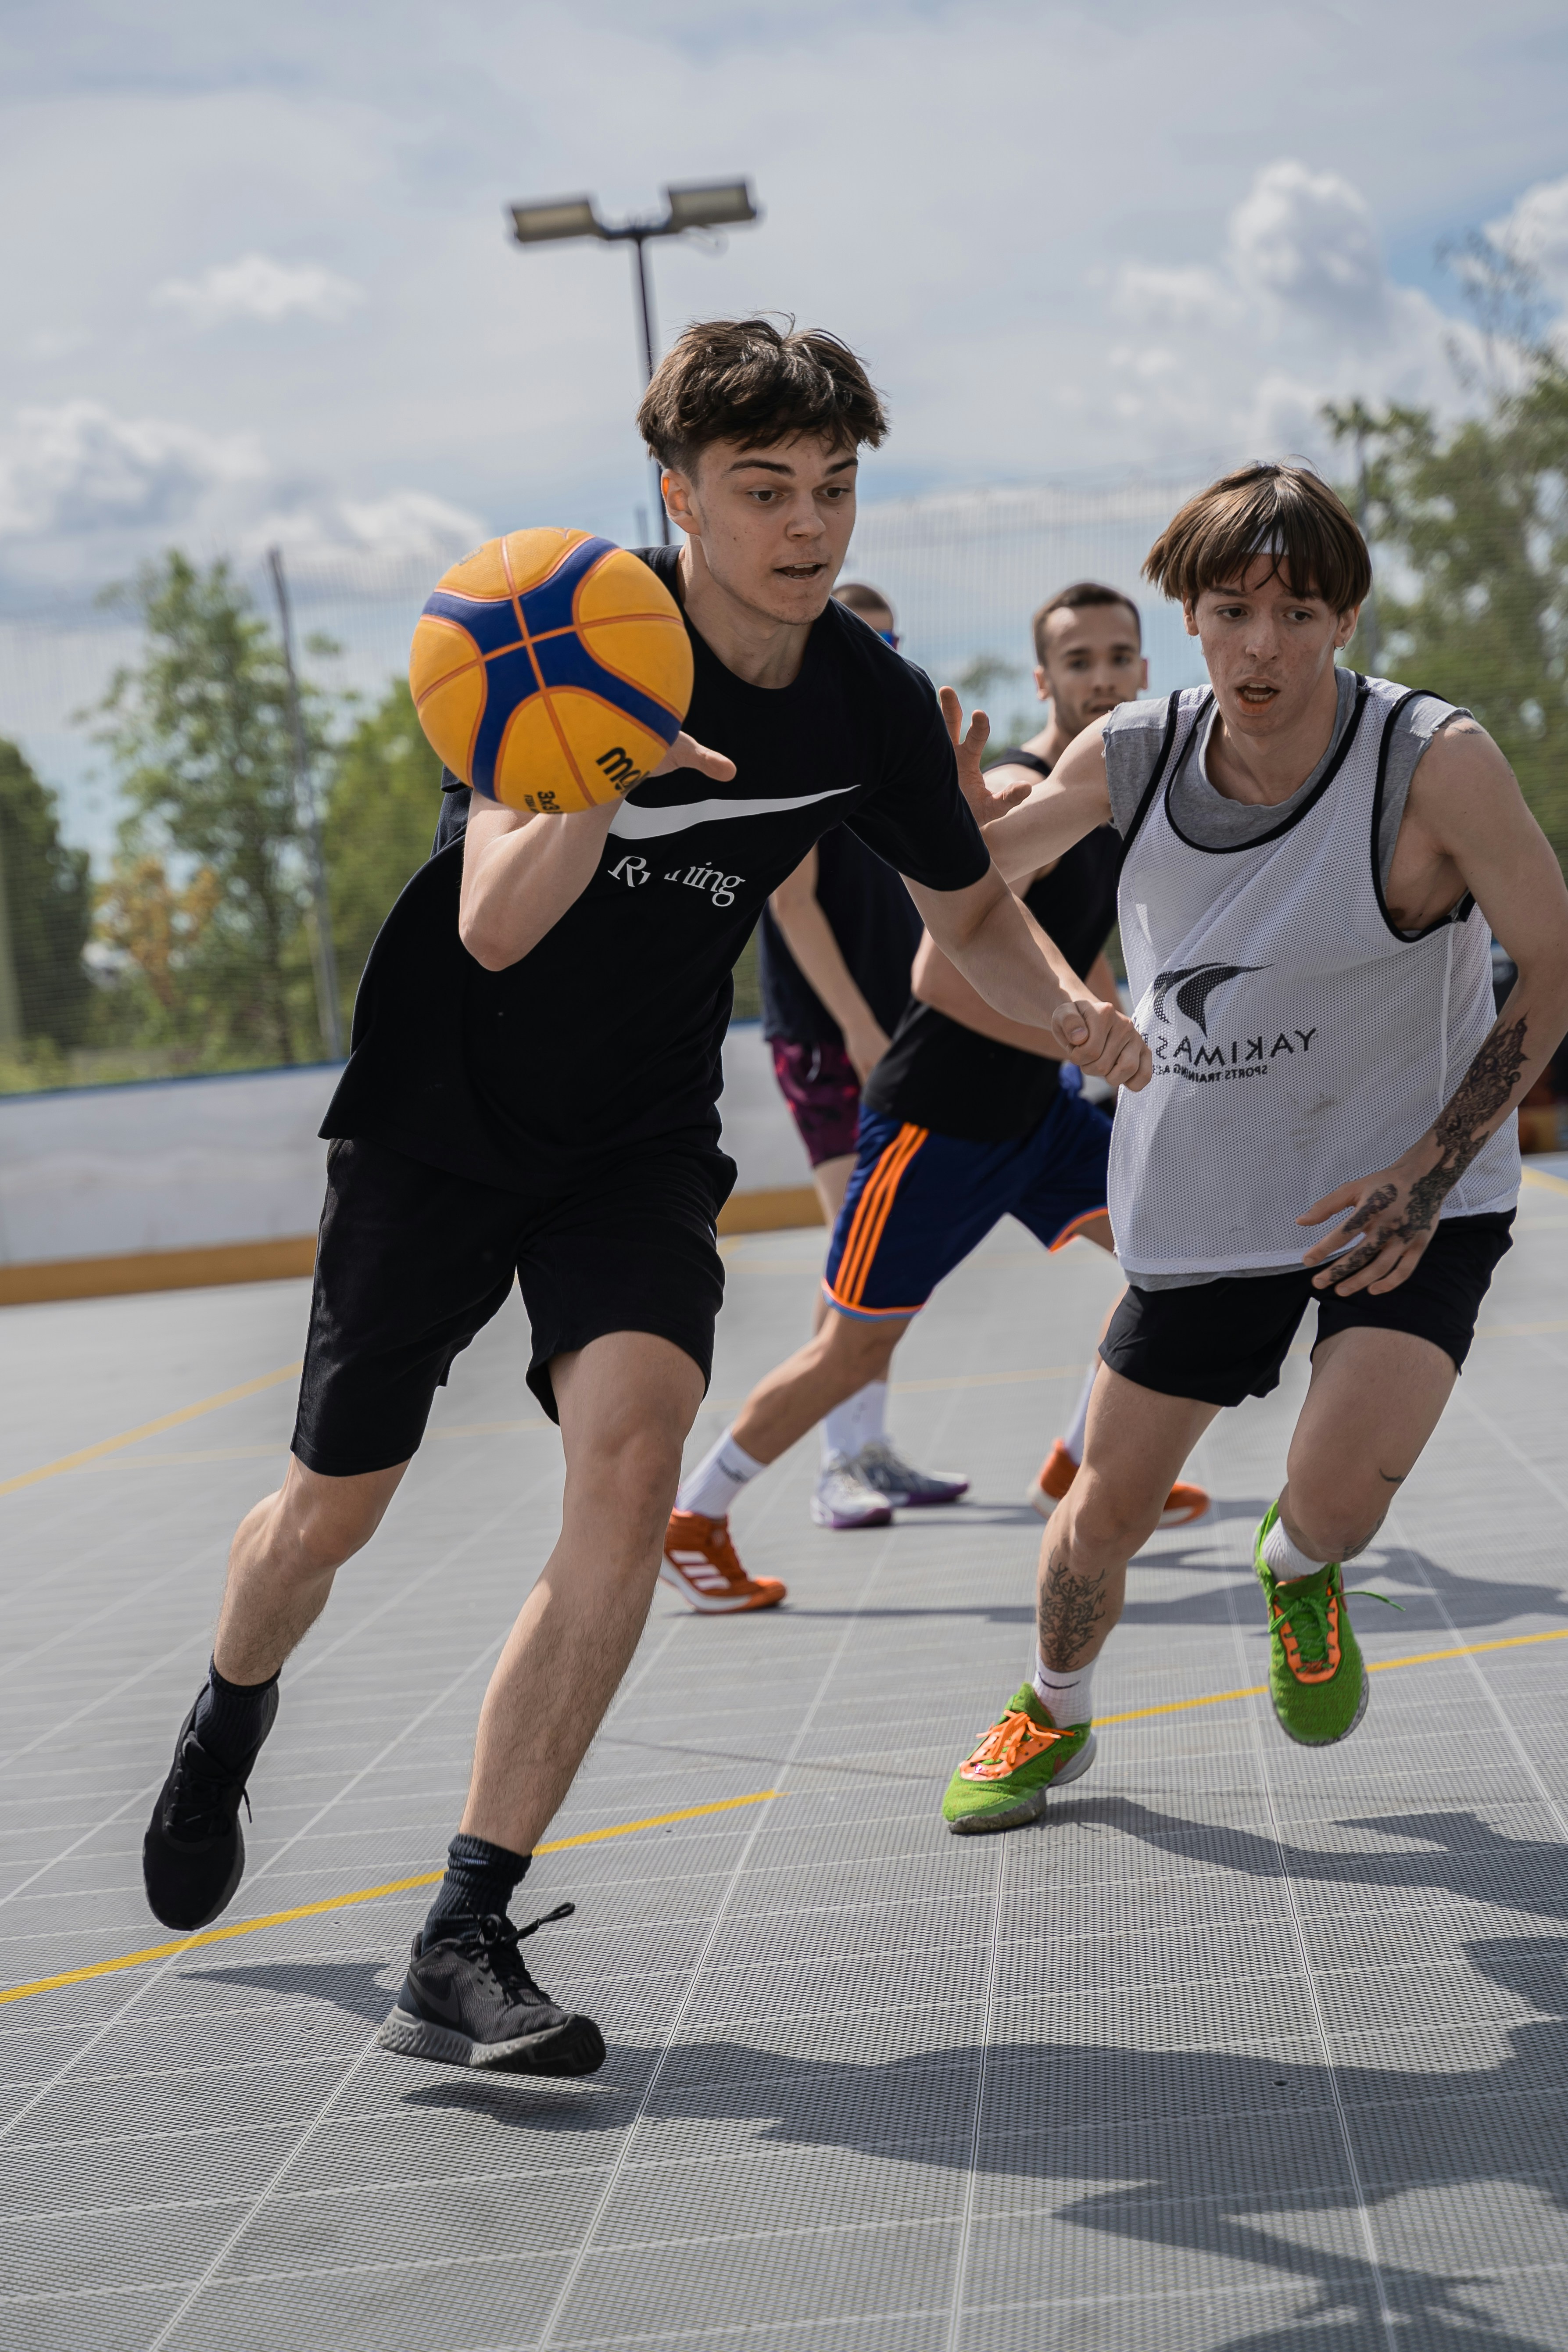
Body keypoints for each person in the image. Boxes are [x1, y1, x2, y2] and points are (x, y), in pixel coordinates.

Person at [139, 317, 1150, 2077]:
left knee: (625, 1457)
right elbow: (494, 921)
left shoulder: (863, 699)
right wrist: (610, 759)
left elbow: (960, 913)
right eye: (761, 487)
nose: (805, 520)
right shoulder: (576, 630)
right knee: (326, 1516)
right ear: (675, 493)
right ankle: (227, 1714)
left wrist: (1064, 1010)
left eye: (831, 485)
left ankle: (462, 1927)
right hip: (438, 1124)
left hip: (629, 1141)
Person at [940, 459, 1568, 1834]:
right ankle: (1049, 1711)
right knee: (1101, 1515)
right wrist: (1008, 935)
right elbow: (963, 907)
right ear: (1189, 617)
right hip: (1206, 1192)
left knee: (1339, 1496)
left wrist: (1427, 1161)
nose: (1261, 645)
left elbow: (1554, 954)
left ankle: (1299, 1570)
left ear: (1343, 619)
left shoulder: (1428, 758)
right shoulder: (1130, 753)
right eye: (1231, 611)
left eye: (1295, 614)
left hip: (1404, 1191)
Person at [669, 584, 1207, 1578]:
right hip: (938, 1121)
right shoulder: (1023, 787)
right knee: (851, 1351)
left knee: (1175, 1257)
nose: (1102, 675)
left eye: (1117, 656)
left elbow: (1072, 957)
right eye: (1078, 660)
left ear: (1144, 668)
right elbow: (941, 969)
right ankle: (695, 1515)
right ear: (1045, 680)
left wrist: (1128, 1045)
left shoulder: (1110, 795)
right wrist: (1074, 1029)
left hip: (1035, 1116)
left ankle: (1079, 1456)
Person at [744, 576, 968, 1536]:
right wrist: (858, 1030)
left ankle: (865, 1444)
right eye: (854, 636)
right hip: (826, 1035)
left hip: (897, 1023)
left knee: (889, 1255)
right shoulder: (793, 752)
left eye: (887, 640)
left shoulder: (892, 748)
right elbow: (791, 907)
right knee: (857, 1251)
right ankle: (833, 1461)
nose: (871, 654)